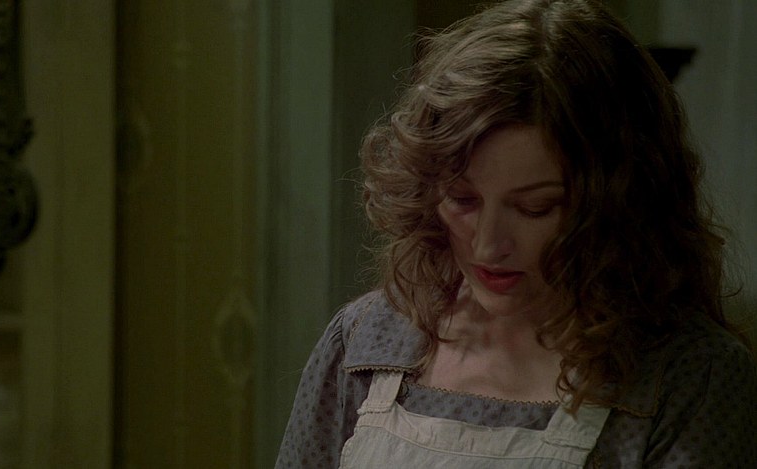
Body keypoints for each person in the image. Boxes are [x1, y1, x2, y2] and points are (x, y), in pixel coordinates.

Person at [275, 0, 757, 467]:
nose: (487, 245)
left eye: (534, 208)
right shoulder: (366, 341)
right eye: (462, 199)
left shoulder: (690, 376)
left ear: (619, 205)